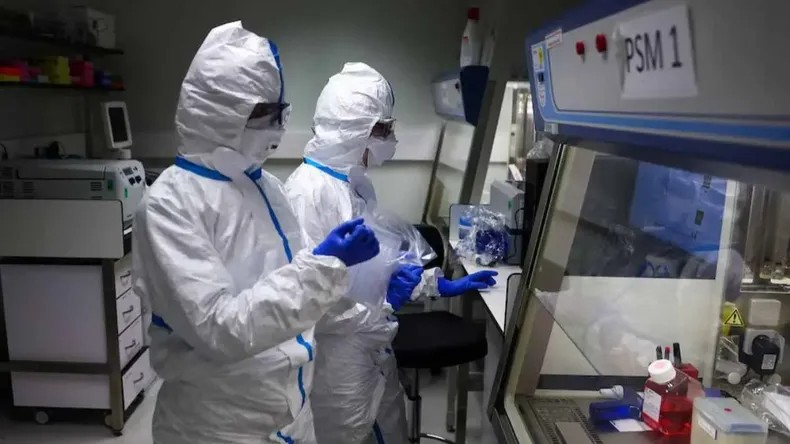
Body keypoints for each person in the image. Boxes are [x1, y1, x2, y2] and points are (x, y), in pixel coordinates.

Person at [132, 23, 380, 444]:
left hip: (289, 406)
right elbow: (221, 329)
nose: (277, 131)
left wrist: (340, 274)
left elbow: (289, 290)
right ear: (218, 112)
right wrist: (326, 265)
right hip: (219, 425)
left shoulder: (265, 187)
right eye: (264, 117)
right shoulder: (169, 204)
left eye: (279, 115)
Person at [284, 62, 497, 444]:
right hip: (337, 363)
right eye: (383, 129)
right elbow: (310, 304)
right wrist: (382, 308)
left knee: (389, 429)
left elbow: (378, 266)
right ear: (352, 130)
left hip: (371, 343)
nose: (391, 138)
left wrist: (431, 284)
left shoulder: (354, 184)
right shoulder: (308, 195)